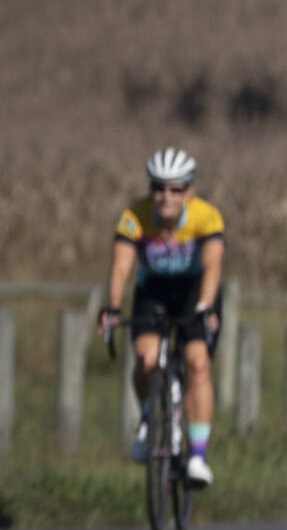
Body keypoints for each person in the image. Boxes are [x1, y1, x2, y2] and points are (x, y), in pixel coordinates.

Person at [95, 149, 223, 488]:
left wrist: (206, 306)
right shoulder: (135, 216)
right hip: (153, 289)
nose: (166, 197)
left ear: (189, 192)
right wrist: (112, 306)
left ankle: (196, 455)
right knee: (145, 357)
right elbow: (121, 265)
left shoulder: (206, 217)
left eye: (175, 189)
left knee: (197, 363)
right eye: (158, 188)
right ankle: (148, 420)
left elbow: (212, 265)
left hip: (194, 293)